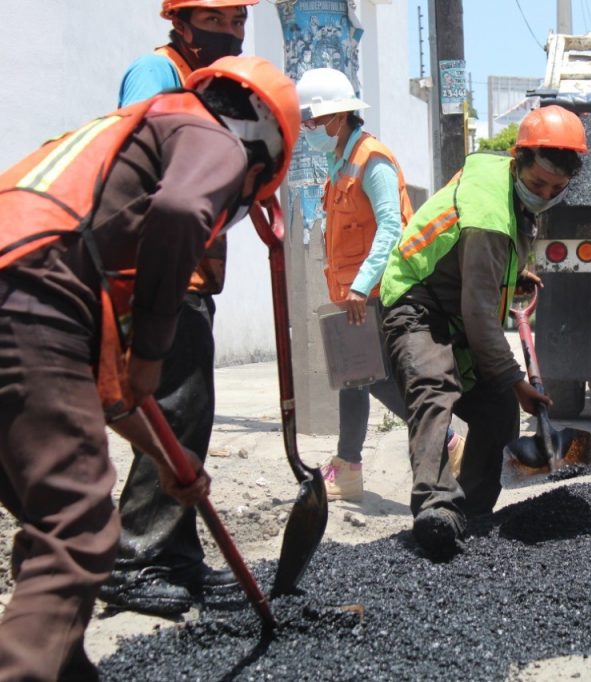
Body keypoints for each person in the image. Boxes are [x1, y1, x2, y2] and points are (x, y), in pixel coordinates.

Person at [0, 55, 299, 680]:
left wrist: (171, 466)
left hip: (24, 295)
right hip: (28, 295)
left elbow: (109, 397)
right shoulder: (208, 133)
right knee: (78, 525)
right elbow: (182, 212)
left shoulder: (108, 169)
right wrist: (154, 350)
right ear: (262, 154)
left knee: (47, 518)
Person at [100, 0, 259, 618]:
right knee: (169, 415)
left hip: (189, 275)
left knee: (188, 419)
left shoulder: (213, 87)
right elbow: (147, 175)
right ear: (180, 22)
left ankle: (177, 557)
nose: (228, 32)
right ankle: (136, 560)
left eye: (236, 21)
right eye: (214, 21)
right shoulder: (157, 72)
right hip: (159, 276)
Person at [378, 105, 588, 560]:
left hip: (455, 310)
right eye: (537, 184)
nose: (545, 194)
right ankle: (435, 507)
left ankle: (470, 516)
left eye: (557, 189)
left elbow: (484, 269)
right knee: (435, 390)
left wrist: (511, 276)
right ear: (518, 161)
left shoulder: (511, 198)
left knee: (495, 412)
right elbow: (478, 312)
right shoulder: (489, 212)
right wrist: (517, 382)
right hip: (417, 303)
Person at [296, 67, 464, 502]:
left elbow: (392, 228)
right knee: (352, 378)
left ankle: (444, 441)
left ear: (337, 117)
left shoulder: (373, 160)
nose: (307, 131)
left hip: (378, 292)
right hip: (352, 296)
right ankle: (348, 468)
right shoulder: (339, 161)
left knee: (370, 378)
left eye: (312, 122)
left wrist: (361, 284)